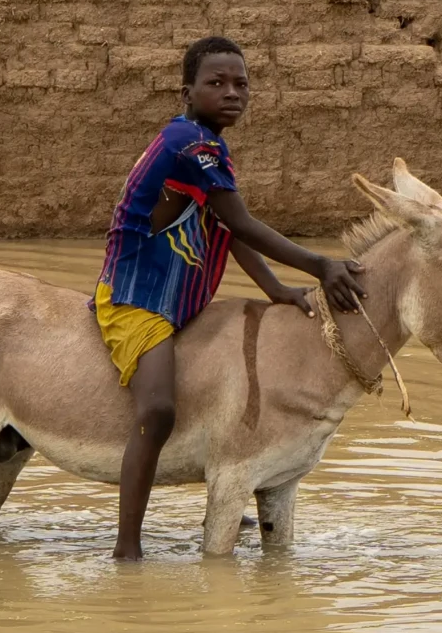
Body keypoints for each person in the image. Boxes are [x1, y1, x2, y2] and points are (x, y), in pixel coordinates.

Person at [96, 36, 364, 559]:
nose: (232, 93)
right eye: (216, 83)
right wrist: (321, 265)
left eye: (241, 84)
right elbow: (241, 222)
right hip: (137, 296)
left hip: (176, 298)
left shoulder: (208, 147)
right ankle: (127, 549)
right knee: (158, 410)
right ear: (187, 92)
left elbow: (224, 226)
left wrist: (275, 289)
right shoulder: (191, 145)